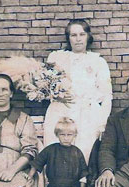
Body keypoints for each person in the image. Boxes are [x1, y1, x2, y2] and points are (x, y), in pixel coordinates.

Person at [44, 19, 112, 163]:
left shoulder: (98, 62)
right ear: (68, 38)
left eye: (82, 34)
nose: (78, 39)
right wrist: (55, 94)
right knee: (57, 154)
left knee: (83, 154)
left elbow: (106, 95)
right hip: (60, 111)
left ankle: (82, 185)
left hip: (87, 115)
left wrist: (102, 123)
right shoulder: (56, 58)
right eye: (73, 35)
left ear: (88, 36)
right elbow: (46, 85)